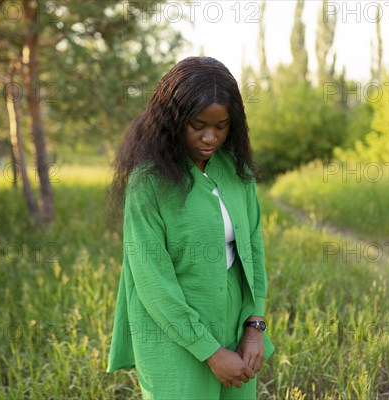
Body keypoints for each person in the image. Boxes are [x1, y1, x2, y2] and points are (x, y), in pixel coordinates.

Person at [107, 56, 274, 400]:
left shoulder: (234, 170)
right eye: (198, 125)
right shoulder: (149, 183)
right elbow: (152, 280)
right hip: (174, 337)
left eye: (222, 126)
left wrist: (254, 327)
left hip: (235, 329)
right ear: (173, 119)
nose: (210, 137)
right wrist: (211, 352)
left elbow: (253, 248)